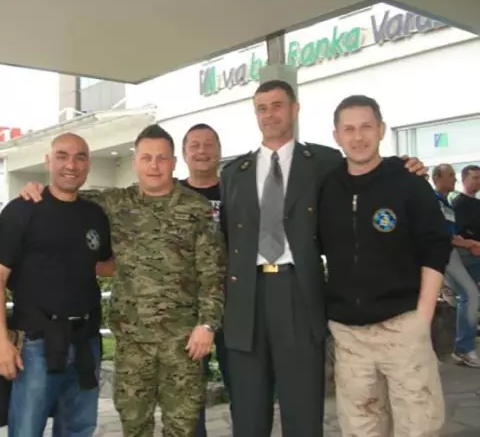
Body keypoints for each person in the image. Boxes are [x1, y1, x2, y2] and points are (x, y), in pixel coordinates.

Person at [219, 80, 427, 437]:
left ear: (294, 109)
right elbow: (225, 236)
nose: (269, 114)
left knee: (303, 406)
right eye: (262, 108)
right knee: (248, 411)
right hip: (246, 296)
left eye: (277, 105)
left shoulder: (324, 162)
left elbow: (365, 166)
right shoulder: (233, 174)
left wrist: (404, 165)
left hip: (298, 290)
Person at [18, 124, 226, 436]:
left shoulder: (197, 209)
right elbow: (66, 194)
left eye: (161, 158)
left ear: (173, 162)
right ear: (135, 162)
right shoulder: (115, 203)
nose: (154, 166)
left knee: (182, 428)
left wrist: (207, 325)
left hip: (183, 343)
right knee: (134, 424)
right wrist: (35, 189)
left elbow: (213, 273)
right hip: (133, 342)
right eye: (146, 158)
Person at [318, 95, 451, 435]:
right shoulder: (326, 188)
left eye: (366, 127)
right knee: (360, 428)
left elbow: (436, 245)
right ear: (336, 136)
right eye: (349, 129)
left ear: (381, 130)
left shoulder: (408, 181)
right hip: (349, 335)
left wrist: (422, 316)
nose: (358, 137)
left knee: (418, 426)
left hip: (403, 326)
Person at [0, 133, 114, 437]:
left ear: (88, 164)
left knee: (79, 429)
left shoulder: (94, 214)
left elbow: (104, 265)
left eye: (80, 157)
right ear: (48, 161)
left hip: (85, 341)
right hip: (35, 344)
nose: (71, 165)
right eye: (62, 156)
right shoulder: (22, 210)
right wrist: (0, 341)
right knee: (27, 430)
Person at [179, 123, 231, 437]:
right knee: (188, 398)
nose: (202, 151)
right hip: (187, 309)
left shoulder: (237, 191)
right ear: (184, 153)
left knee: (243, 388)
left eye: (209, 144)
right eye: (194, 145)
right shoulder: (170, 194)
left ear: (220, 151)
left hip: (235, 305)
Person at [432, 163, 480, 367]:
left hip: (452, 252)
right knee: (470, 294)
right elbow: (443, 236)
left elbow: (452, 235)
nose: (454, 179)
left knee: (470, 294)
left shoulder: (446, 203)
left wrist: (470, 243)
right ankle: (463, 349)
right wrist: (470, 244)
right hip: (442, 255)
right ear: (437, 178)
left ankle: (464, 345)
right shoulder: (434, 201)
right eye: (450, 175)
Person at [452, 164, 480, 281]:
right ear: (464, 180)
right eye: (475, 178)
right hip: (468, 251)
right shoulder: (459, 203)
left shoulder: (477, 203)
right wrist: (472, 244)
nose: (479, 181)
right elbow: (460, 230)